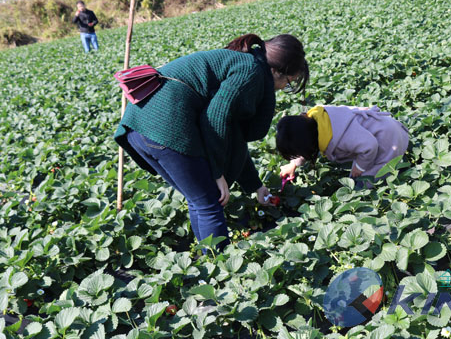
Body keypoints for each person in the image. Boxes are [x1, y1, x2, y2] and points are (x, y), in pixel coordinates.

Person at [114, 34, 309, 251]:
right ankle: (220, 272)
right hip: (164, 125)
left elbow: (233, 134)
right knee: (209, 203)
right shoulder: (251, 72)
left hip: (140, 126)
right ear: (276, 70)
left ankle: (208, 261)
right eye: (288, 81)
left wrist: (255, 186)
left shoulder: (248, 65)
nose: (284, 88)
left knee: (199, 200)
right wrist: (217, 174)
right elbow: (215, 120)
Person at [277, 105, 409, 185]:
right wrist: (293, 164)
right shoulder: (318, 118)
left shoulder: (342, 138)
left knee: (365, 183)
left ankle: (399, 174)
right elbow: (303, 140)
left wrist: (360, 167)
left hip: (389, 140)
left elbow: (370, 146)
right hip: (383, 126)